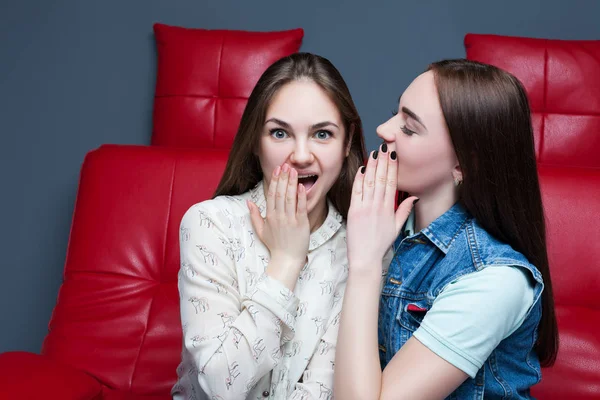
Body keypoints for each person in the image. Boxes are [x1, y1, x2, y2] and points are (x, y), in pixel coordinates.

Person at [335, 59, 558, 399]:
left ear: (463, 163)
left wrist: (364, 266)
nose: (383, 129)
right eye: (396, 113)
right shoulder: (386, 230)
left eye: (409, 128)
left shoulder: (495, 280)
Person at [172, 52, 366, 400]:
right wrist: (287, 262)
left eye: (322, 134)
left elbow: (326, 390)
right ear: (256, 145)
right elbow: (219, 387)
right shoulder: (208, 225)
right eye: (280, 133)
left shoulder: (363, 251)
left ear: (347, 142)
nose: (302, 155)